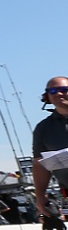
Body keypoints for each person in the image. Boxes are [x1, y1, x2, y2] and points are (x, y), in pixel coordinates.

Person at [31, 76, 68, 221]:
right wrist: (40, 197)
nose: (58, 93)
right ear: (47, 96)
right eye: (53, 90)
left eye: (64, 90)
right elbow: (39, 164)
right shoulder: (43, 128)